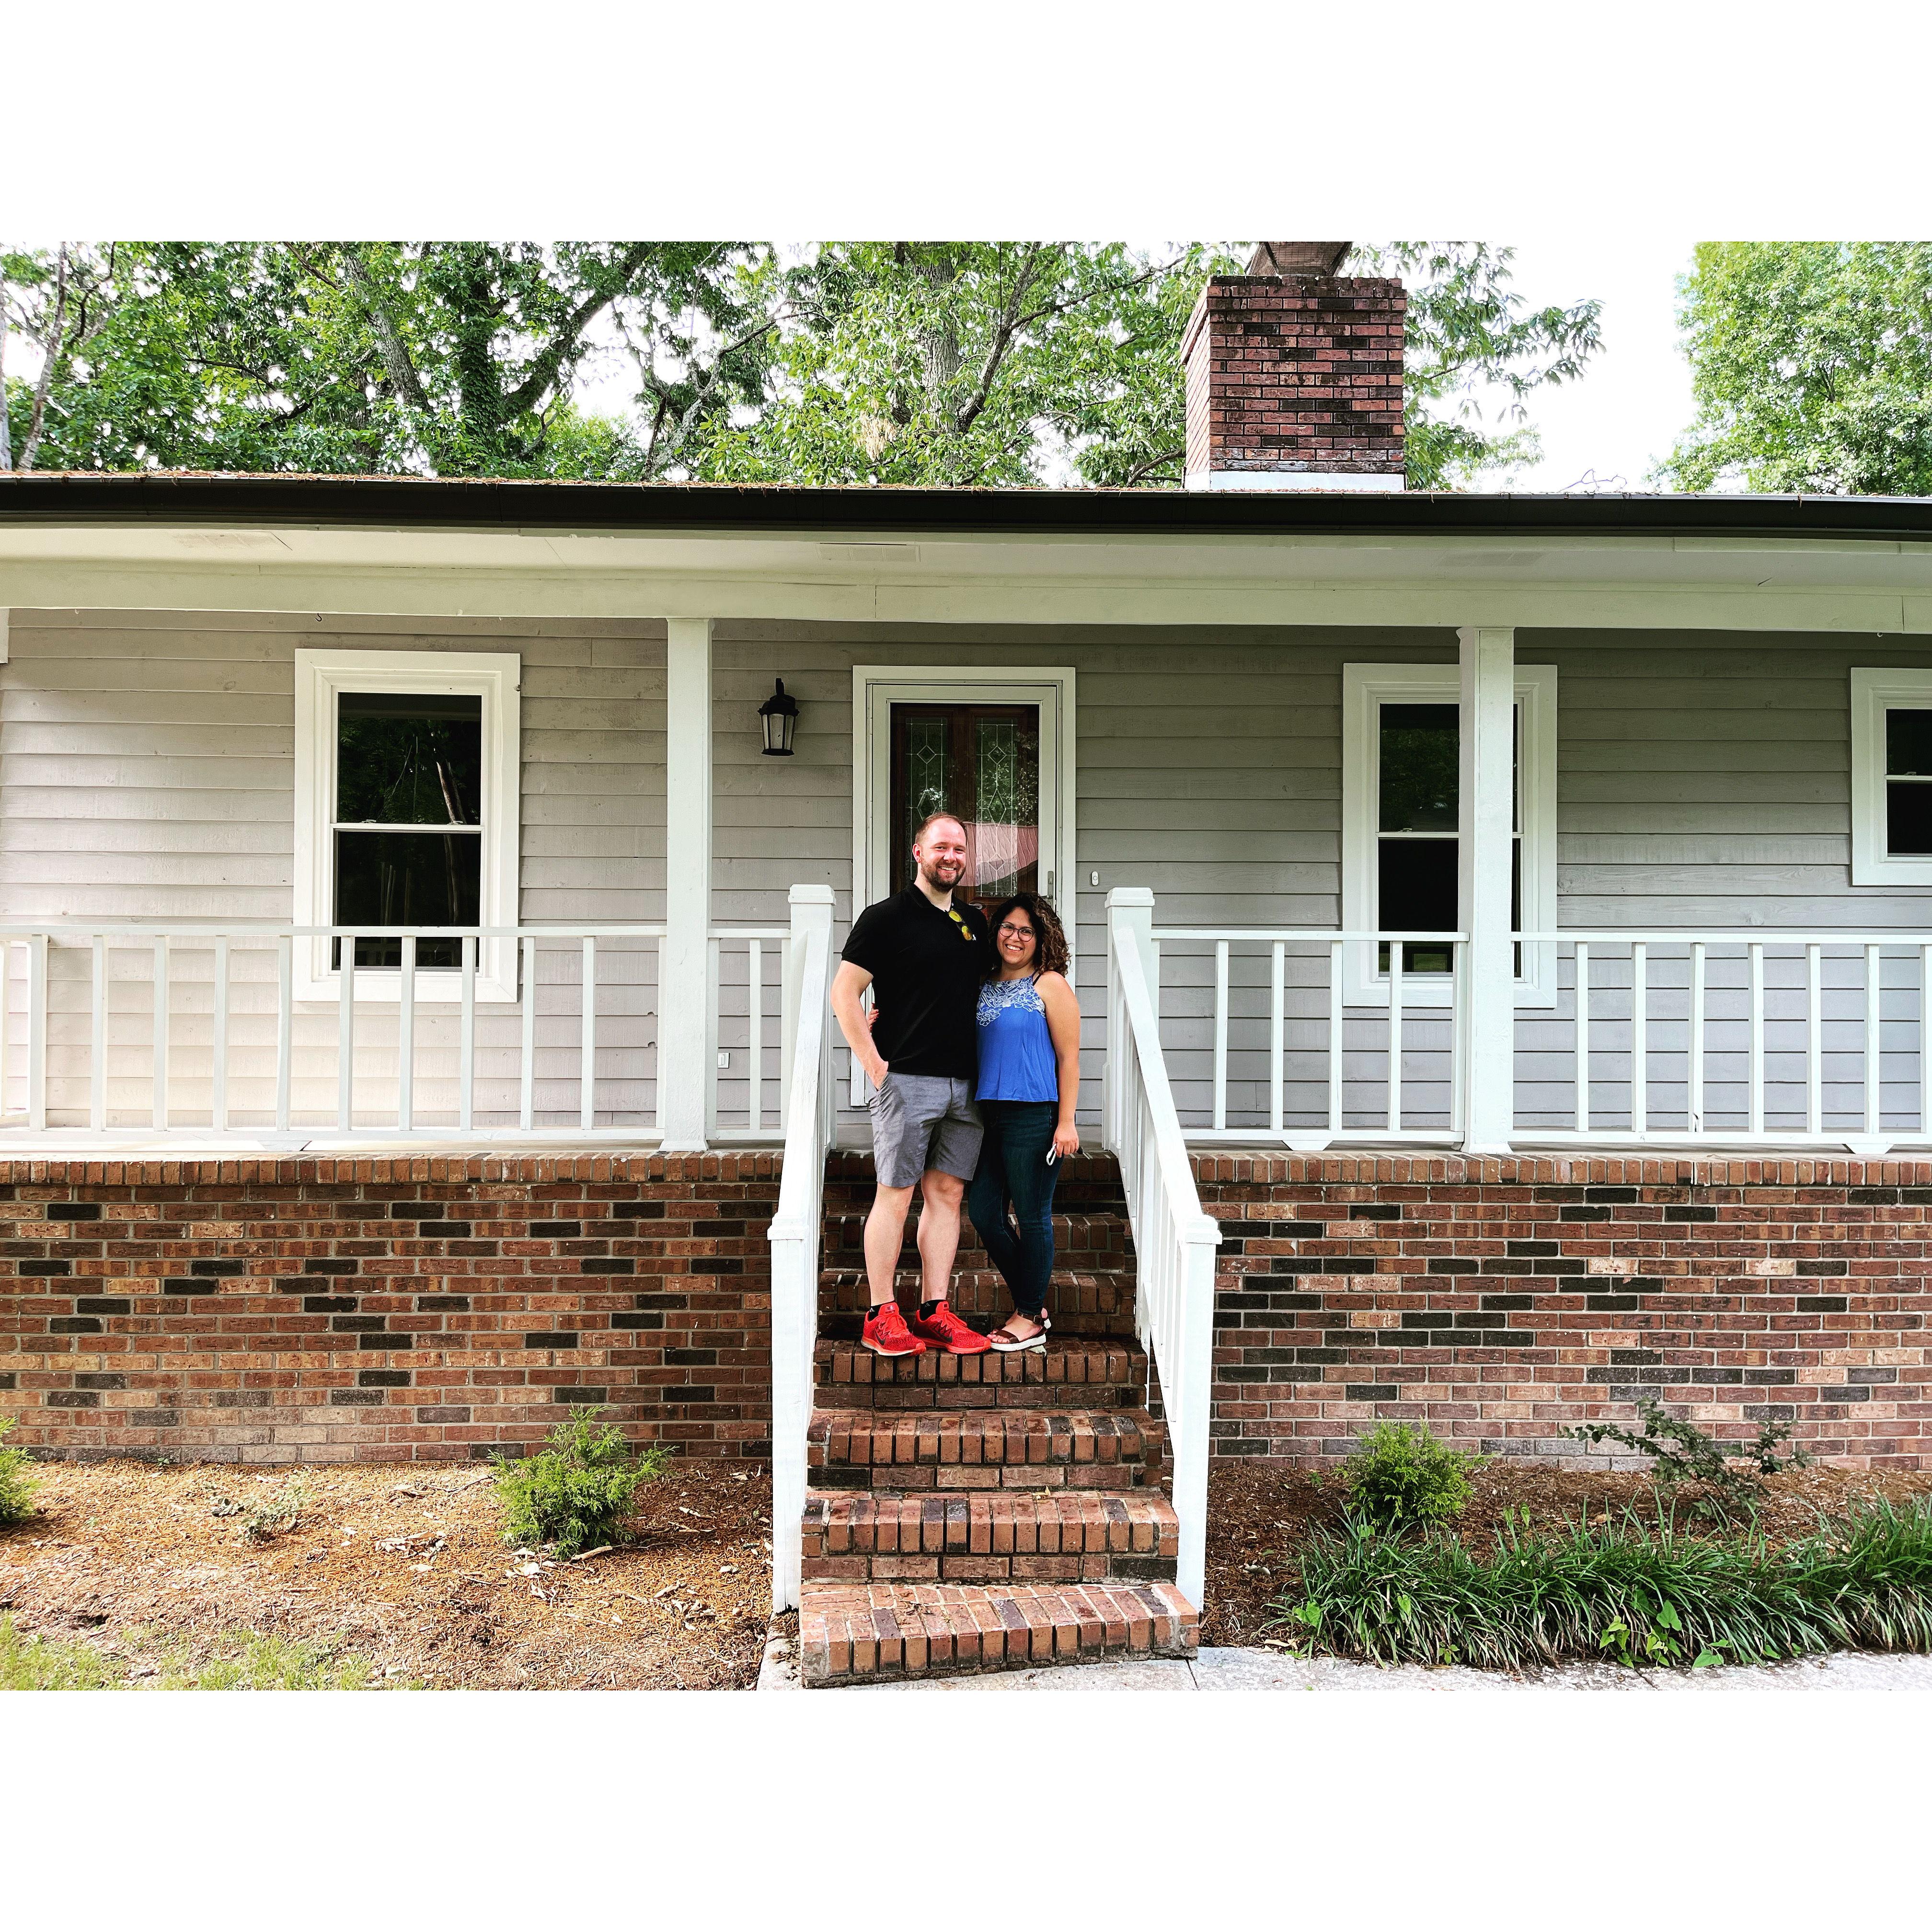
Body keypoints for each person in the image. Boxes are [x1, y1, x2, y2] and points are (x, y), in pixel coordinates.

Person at [829, 811, 994, 1357]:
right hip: (907, 1079)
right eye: (942, 846)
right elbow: (844, 994)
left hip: (965, 1085)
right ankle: (881, 1314)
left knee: (946, 1196)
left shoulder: (973, 922)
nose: (953, 856)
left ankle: (933, 1310)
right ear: (918, 853)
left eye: (960, 849)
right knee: (895, 1196)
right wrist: (876, 1068)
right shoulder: (885, 919)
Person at [966, 892, 1081, 1353]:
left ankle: (1030, 1316)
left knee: (1033, 1217)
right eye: (1008, 928)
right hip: (986, 1114)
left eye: (1026, 931)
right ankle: (1032, 1302)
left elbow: (1070, 1058)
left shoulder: (1049, 984)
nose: (1015, 938)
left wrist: (1066, 1122)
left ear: (1041, 939)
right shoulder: (982, 982)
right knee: (984, 1214)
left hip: (1035, 1114)